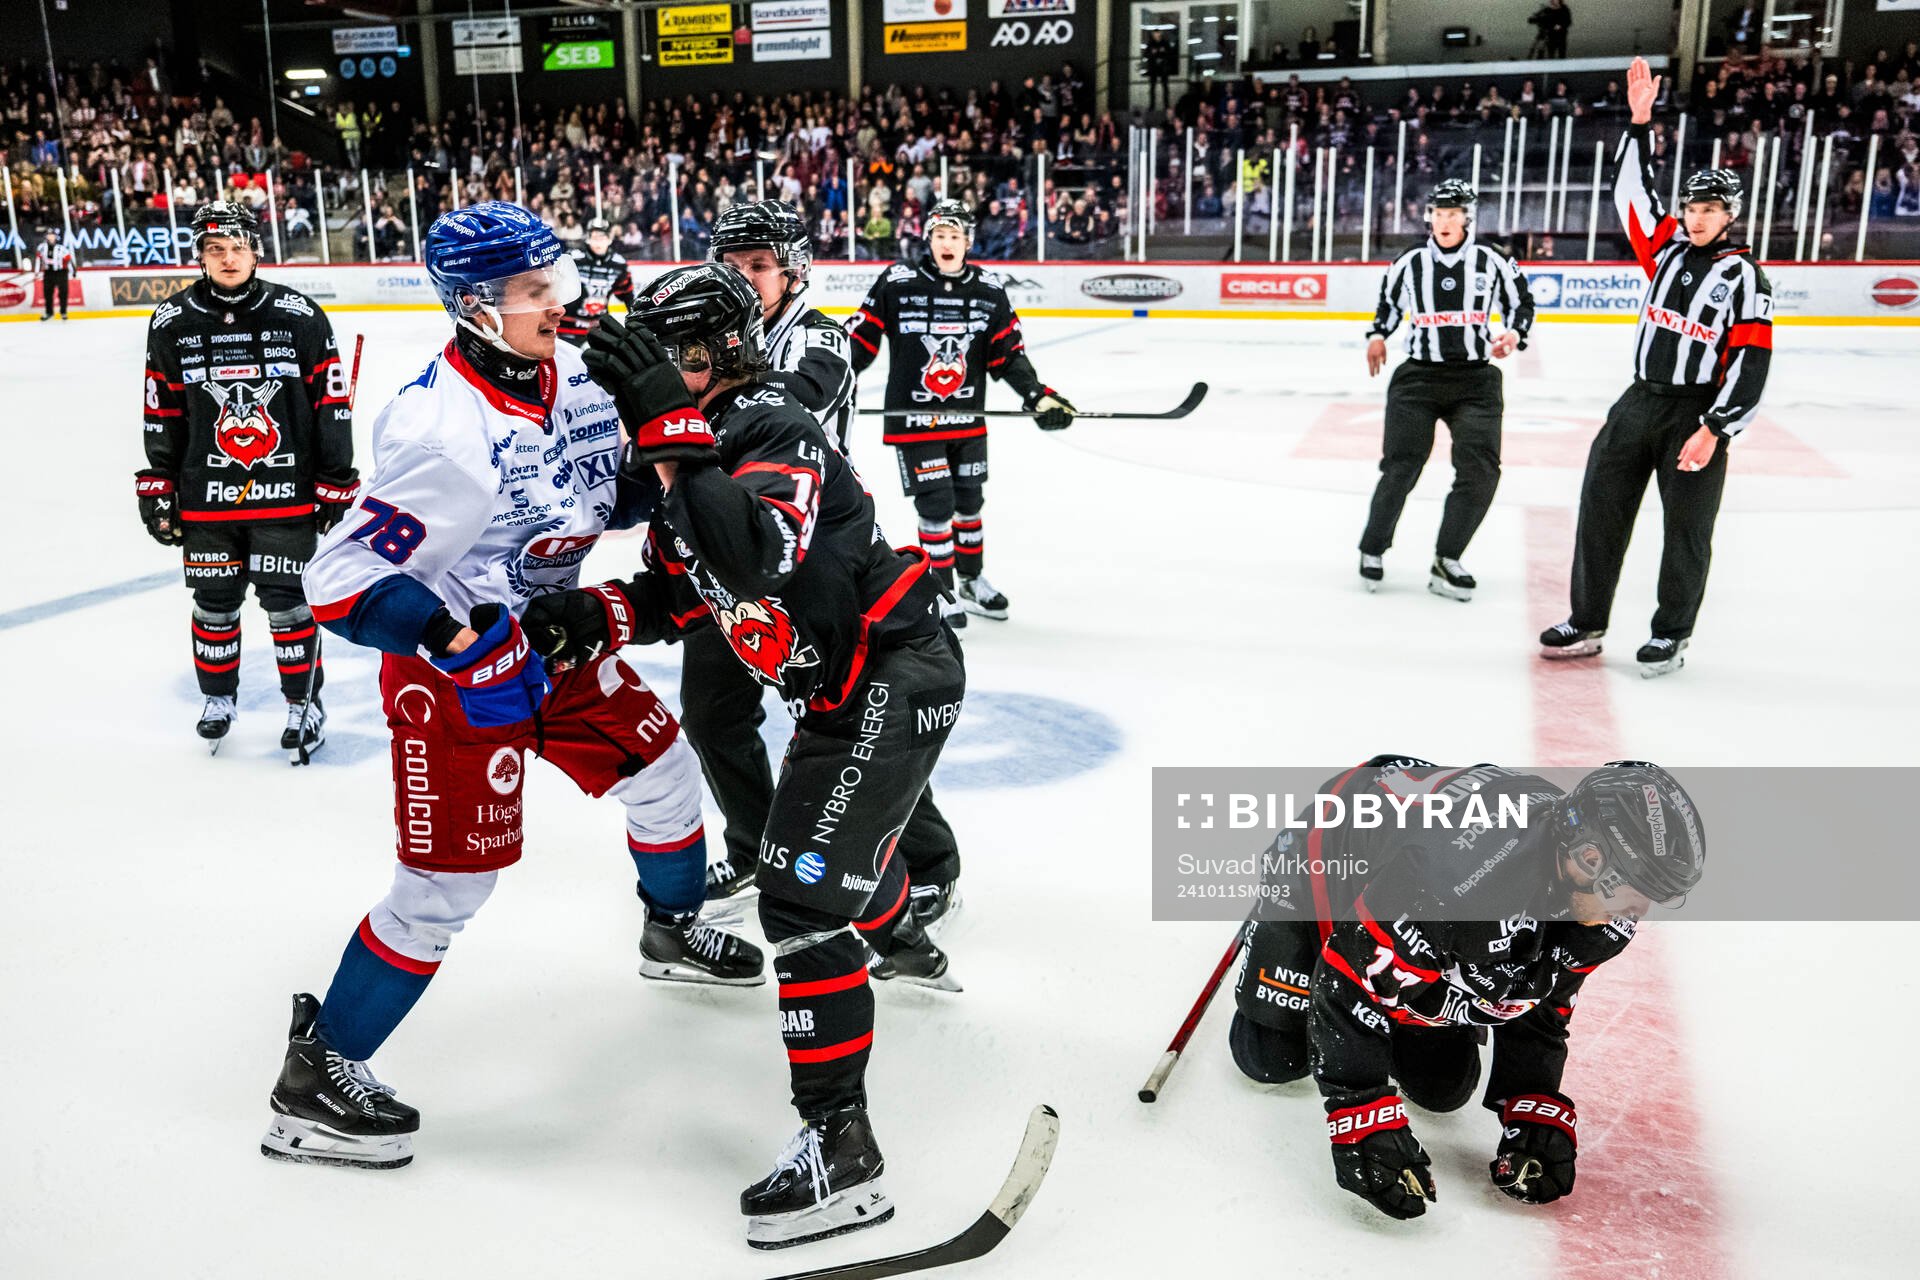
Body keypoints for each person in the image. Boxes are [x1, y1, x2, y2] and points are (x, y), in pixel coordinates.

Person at [263, 202, 763, 1173]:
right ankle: (317, 1075)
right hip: (457, 674)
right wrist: (456, 637)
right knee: (447, 886)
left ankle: (670, 925)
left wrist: (661, 451)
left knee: (663, 770)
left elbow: (600, 492)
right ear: (477, 308)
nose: (561, 301)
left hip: (554, 635)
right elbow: (335, 581)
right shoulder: (436, 431)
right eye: (536, 290)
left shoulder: (573, 370)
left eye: (558, 278)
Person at [521, 265, 963, 1248]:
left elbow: (756, 553)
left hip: (898, 674)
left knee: (798, 895)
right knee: (836, 847)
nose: (650, 378)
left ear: (717, 348)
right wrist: (587, 617)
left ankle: (843, 1150)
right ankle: (905, 940)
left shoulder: (769, 422)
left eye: (666, 357)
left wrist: (670, 428)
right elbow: (687, 594)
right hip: (842, 689)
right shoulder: (691, 454)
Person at [1227, 757, 1705, 1220]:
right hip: (1336, 843)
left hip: (1438, 885)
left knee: (1442, 1089)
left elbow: (1545, 993)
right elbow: (1349, 984)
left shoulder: (1603, 909)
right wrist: (1360, 1113)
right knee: (1268, 1058)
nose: (1634, 912)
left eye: (1650, 896)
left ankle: (1412, 959)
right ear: (1589, 858)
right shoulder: (1450, 883)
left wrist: (1532, 1099)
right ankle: (1289, 925)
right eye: (1633, 890)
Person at [691, 201, 964, 923]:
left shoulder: (821, 338)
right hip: (728, 547)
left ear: (793, 270)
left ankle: (929, 861)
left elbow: (791, 399)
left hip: (816, 550)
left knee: (852, 711)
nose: (742, 279)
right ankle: (756, 845)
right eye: (731, 264)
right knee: (711, 710)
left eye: (757, 266)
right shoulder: (710, 336)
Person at [1541, 58, 1772, 677]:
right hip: (1638, 400)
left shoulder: (1744, 278)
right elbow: (1630, 194)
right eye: (1692, 207)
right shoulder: (1666, 249)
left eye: (1710, 209)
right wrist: (1640, 122)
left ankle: (1672, 634)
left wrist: (1716, 428)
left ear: (1731, 216)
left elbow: (1752, 362)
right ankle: (1586, 621)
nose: (1697, 217)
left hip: (1695, 414)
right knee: (1600, 507)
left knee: (1686, 531)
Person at [135, 201, 358, 756]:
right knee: (213, 601)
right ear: (201, 256)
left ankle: (303, 704)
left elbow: (331, 403)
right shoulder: (172, 322)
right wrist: (158, 482)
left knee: (288, 603)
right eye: (216, 249)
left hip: (285, 494)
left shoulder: (299, 317)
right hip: (206, 495)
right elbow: (160, 410)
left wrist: (335, 476)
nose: (228, 258)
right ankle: (218, 698)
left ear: (256, 248)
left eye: (237, 247)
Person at [846, 200, 1076, 627]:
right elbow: (859, 342)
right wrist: (826, 380)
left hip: (967, 419)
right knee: (937, 505)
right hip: (915, 420)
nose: (946, 243)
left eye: (955, 236)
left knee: (969, 504)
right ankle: (941, 589)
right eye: (939, 235)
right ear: (928, 239)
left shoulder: (988, 288)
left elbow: (1007, 354)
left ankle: (971, 581)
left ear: (968, 241)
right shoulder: (897, 282)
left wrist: (1038, 395)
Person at [1359, 181, 1534, 600]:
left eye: (1454, 213)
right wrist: (1378, 334)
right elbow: (1388, 304)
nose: (1445, 220)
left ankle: (1448, 556)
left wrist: (1513, 334)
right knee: (1401, 468)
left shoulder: (1492, 260)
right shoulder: (1410, 261)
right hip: (1418, 378)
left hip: (1475, 380)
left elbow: (1521, 303)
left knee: (1480, 472)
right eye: (1439, 212)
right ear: (1429, 217)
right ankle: (1373, 548)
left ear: (1467, 217)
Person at [556, 216, 634, 346]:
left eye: (602, 237)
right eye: (595, 237)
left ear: (609, 239)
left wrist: (635, 322)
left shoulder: (619, 264)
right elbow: (556, 287)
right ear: (588, 239)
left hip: (598, 328)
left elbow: (627, 296)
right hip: (568, 327)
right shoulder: (573, 258)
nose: (598, 242)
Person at [34, 226, 73, 320]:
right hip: (48, 273)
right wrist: (36, 272)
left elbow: (69, 260)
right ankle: (49, 312)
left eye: (53, 235)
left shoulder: (62, 248)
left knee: (63, 293)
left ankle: (63, 312)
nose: (51, 237)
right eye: (49, 235)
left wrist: (73, 272)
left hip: (61, 273)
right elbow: (38, 260)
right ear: (46, 236)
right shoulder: (42, 247)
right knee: (47, 293)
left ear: (56, 237)